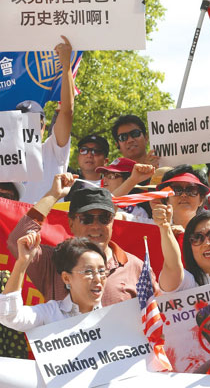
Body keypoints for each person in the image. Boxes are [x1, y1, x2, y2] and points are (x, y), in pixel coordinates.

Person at [7, 173, 157, 305]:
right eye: (86, 218)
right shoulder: (53, 261)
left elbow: (158, 314)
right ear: (71, 223)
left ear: (112, 222)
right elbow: (18, 240)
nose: (96, 226)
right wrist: (53, 194)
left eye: (104, 218)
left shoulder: (137, 267)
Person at [0, 233, 106, 332]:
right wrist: (23, 262)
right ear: (66, 278)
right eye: (88, 271)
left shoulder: (114, 316)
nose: (98, 279)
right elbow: (10, 316)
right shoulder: (50, 314)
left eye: (102, 271)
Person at [19, 36, 75, 204]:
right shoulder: (6, 156)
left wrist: (66, 66)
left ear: (44, 127)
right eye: (22, 122)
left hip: (48, 228)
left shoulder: (53, 150)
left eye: (36, 122)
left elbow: (67, 111)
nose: (29, 127)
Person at [152, 206, 210, 293]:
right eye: (197, 238)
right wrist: (165, 228)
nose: (207, 243)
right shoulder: (185, 283)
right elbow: (172, 265)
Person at [156, 165, 210, 230]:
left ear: (201, 199)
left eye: (191, 190)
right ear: (166, 198)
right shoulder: (155, 228)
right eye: (176, 190)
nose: (183, 195)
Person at [65, 134, 110, 201]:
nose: (89, 155)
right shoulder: (66, 181)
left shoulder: (112, 185)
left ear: (105, 161)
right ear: (78, 157)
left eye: (96, 151)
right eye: (84, 150)